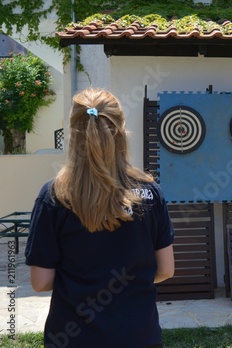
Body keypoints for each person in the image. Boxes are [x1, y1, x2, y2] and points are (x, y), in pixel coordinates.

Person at [25, 87, 175, 348]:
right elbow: (166, 269)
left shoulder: (54, 196)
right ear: (121, 131)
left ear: (73, 134)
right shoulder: (150, 193)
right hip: (138, 336)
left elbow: (41, 282)